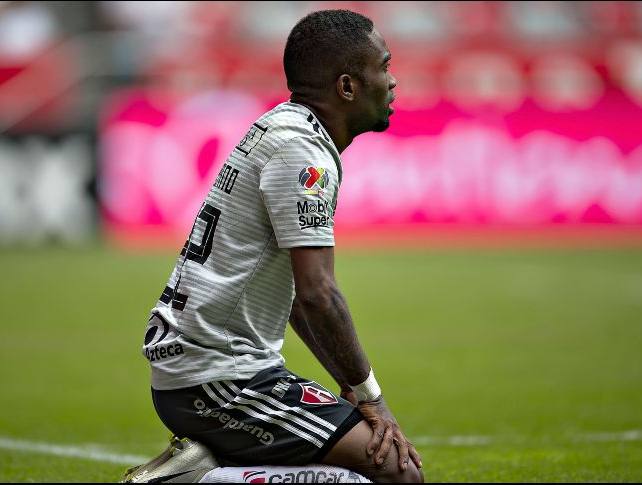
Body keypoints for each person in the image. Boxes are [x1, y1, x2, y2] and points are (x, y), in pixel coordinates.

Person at [125, 9, 423, 483]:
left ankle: (211, 467)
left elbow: (299, 304)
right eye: (383, 67)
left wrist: (349, 388)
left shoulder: (286, 129)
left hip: (206, 368)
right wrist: (372, 399)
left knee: (366, 461)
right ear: (347, 87)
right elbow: (317, 294)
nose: (393, 81)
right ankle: (198, 481)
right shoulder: (301, 153)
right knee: (397, 472)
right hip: (219, 378)